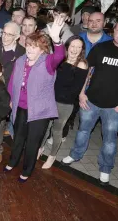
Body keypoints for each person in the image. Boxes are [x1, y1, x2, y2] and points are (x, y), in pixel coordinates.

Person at [62, 17, 118, 185]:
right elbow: (87, 71)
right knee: (82, 131)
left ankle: (105, 168)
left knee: (110, 140)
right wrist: (82, 93)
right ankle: (75, 154)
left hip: (115, 107)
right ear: (113, 29)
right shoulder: (101, 48)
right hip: (91, 101)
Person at [4, 17, 66, 182]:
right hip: (20, 107)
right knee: (18, 137)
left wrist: (56, 40)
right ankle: (13, 161)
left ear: (42, 49)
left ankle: (27, 169)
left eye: (35, 46)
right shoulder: (20, 61)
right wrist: (11, 99)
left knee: (32, 142)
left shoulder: (48, 62)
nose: (30, 49)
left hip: (39, 111)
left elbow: (60, 55)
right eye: (29, 45)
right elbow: (12, 82)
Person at [38, 36, 88, 169]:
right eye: (73, 46)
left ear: (82, 49)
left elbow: (75, 89)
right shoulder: (60, 59)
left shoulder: (82, 64)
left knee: (56, 130)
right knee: (45, 126)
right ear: (67, 46)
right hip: (50, 99)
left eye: (79, 47)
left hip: (65, 104)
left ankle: (52, 156)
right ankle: (40, 147)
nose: (75, 49)